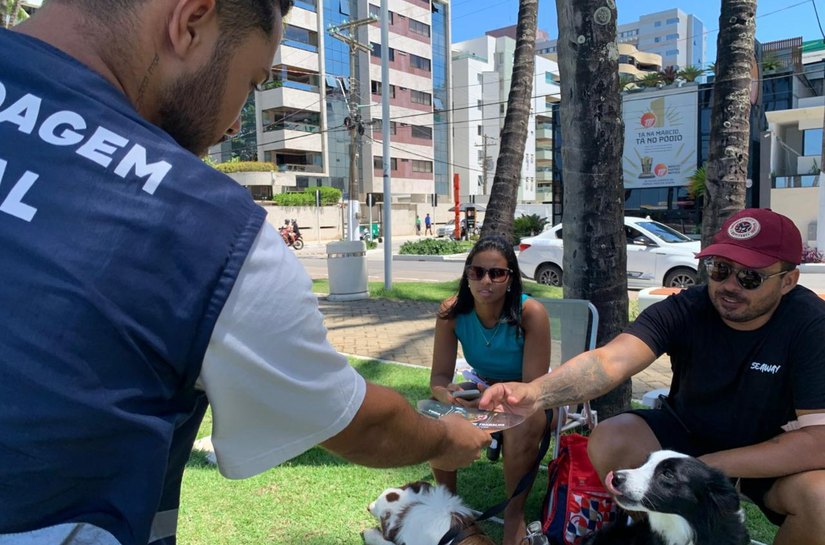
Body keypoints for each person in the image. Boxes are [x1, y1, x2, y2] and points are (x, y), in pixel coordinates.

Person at [0, 2, 490, 545]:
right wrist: (446, 439)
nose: (235, 122)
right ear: (190, 21)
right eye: (253, 81)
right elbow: (357, 421)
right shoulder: (206, 226)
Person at [479, 209, 825, 545]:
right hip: (687, 437)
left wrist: (707, 467)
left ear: (788, 281)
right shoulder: (689, 307)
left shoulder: (811, 325)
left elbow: (818, 441)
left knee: (821, 500)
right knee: (611, 437)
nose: (729, 285)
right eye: (720, 269)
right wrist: (536, 393)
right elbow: (610, 361)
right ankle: (660, 536)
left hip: (764, 454)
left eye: (750, 277)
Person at [430, 236, 554, 545]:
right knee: (438, 414)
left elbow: (533, 387)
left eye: (497, 273)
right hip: (480, 386)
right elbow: (439, 378)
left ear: (510, 279)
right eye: (477, 272)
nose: (486, 280)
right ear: (467, 275)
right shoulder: (451, 312)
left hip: (528, 392)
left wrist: (493, 398)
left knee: (523, 423)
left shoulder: (531, 313)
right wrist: (448, 394)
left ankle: (514, 517)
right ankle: (448, 508)